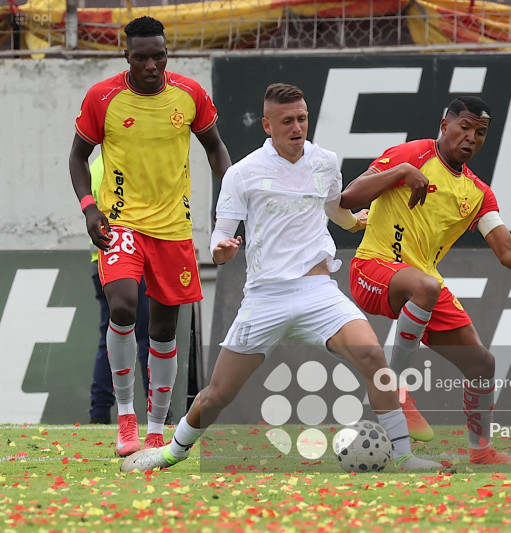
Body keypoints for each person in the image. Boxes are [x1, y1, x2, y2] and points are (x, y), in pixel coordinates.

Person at [121, 83, 442, 473]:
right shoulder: (242, 173)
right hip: (265, 297)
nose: (297, 127)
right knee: (219, 394)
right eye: (287, 120)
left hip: (317, 291)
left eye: (302, 118)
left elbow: (332, 205)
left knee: (374, 356)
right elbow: (221, 236)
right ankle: (171, 452)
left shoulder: (325, 161)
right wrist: (222, 250)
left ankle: (405, 457)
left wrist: (350, 222)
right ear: (267, 125)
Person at [341, 95, 511, 465]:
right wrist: (401, 173)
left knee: (482, 365)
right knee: (427, 286)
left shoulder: (477, 193)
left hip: (423, 285)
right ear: (445, 126)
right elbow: (348, 197)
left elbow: (507, 253)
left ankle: (482, 451)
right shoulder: (411, 153)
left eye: (480, 132)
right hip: (372, 268)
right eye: (464, 127)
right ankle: (394, 388)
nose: (471, 137)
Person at [69, 16, 231, 456]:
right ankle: (126, 419)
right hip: (121, 225)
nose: (151, 65)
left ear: (166, 54)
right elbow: (78, 158)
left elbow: (215, 147)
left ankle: (156, 427)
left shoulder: (189, 94)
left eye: (158, 55)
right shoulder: (103, 97)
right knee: (122, 308)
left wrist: (230, 202)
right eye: (141, 57)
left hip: (173, 230)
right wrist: (90, 209)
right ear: (127, 56)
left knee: (164, 331)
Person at [87, 156, 151, 425]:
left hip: (102, 261)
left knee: (110, 338)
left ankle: (100, 413)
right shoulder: (133, 160)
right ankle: (158, 411)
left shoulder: (95, 165)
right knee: (149, 338)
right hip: (134, 259)